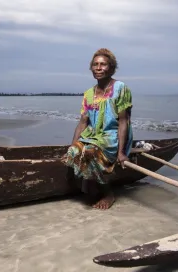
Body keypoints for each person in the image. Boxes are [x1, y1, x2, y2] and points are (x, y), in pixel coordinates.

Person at [61, 48, 133, 210]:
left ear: (111, 68)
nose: (99, 68)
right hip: (92, 135)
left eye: (103, 64)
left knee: (90, 152)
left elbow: (123, 122)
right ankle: (90, 186)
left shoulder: (120, 88)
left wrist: (121, 153)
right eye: (95, 64)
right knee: (74, 153)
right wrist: (72, 146)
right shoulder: (88, 94)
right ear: (91, 68)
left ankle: (108, 193)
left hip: (112, 135)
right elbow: (82, 122)